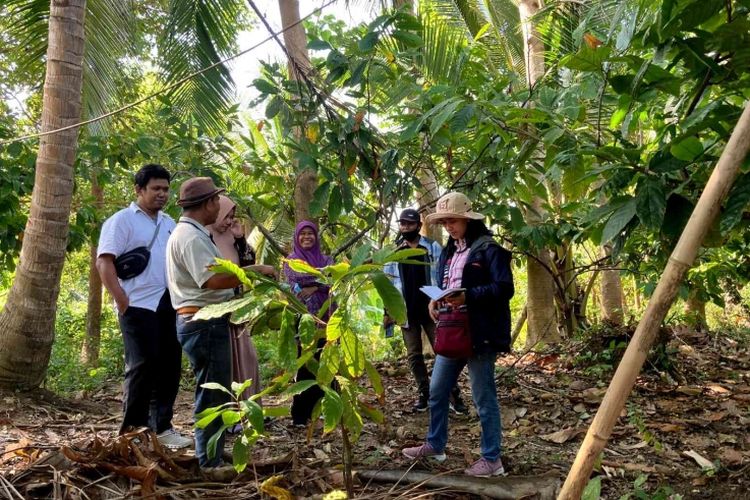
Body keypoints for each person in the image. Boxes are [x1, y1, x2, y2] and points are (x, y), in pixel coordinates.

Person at [402, 192, 514, 478]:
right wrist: (435, 301)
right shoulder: (449, 251)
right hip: (451, 331)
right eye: (445, 222)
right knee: (438, 391)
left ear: (467, 219)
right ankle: (435, 445)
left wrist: (468, 296)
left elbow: (504, 289)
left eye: (453, 221)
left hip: (480, 333)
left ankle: (492, 459)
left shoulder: (490, 250)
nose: (449, 226)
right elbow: (444, 284)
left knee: (482, 397)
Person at [96, 164, 192, 450]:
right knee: (141, 366)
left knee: (170, 366)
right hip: (137, 304)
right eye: (155, 189)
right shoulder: (121, 221)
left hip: (168, 303)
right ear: (139, 190)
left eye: (165, 189)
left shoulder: (170, 224)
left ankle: (161, 428)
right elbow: (104, 261)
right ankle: (132, 431)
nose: (162, 194)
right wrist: (121, 300)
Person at [166, 177, 247, 468]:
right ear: (206, 204)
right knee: (212, 392)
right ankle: (209, 461)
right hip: (203, 321)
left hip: (206, 320)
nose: (219, 207)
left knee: (217, 390)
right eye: (216, 201)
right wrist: (249, 273)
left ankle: (212, 451)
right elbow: (211, 279)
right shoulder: (190, 237)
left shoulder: (195, 234)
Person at [383, 208, 467, 414]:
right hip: (405, 310)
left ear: (418, 226)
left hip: (433, 307)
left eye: (410, 224)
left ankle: (452, 393)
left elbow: (442, 274)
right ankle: (424, 393)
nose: (405, 228)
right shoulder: (393, 252)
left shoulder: (432, 247)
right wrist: (387, 312)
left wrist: (443, 298)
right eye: (402, 224)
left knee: (444, 351)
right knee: (414, 355)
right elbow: (387, 285)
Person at [207, 196, 272, 403]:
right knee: (227, 362)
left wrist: (239, 238)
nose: (228, 221)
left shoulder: (230, 237)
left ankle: (248, 407)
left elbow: (246, 263)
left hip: (237, 306)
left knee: (246, 357)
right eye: (226, 216)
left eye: (232, 217)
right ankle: (231, 412)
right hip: (216, 306)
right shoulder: (204, 238)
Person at [283, 221, 333, 426]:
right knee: (305, 363)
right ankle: (300, 415)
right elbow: (293, 281)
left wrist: (313, 287)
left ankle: (323, 410)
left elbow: (332, 280)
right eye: (302, 234)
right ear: (297, 237)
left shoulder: (326, 259)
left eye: (310, 233)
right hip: (303, 318)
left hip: (328, 316)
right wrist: (318, 283)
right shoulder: (291, 260)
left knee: (326, 362)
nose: (306, 237)